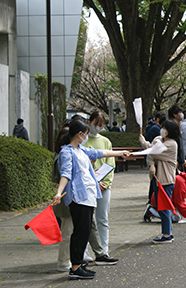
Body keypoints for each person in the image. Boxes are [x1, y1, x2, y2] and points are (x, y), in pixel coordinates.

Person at [52, 119, 129, 280]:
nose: (87, 136)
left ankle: (78, 265)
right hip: (78, 197)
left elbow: (101, 153)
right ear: (80, 134)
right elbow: (65, 173)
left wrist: (120, 153)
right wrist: (59, 192)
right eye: (86, 134)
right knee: (80, 232)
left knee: (85, 231)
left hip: (88, 196)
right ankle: (75, 267)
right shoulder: (67, 152)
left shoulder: (81, 149)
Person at [139, 119, 179, 243]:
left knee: (163, 207)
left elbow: (153, 151)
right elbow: (152, 153)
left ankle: (166, 234)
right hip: (159, 179)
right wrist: (151, 164)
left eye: (164, 128)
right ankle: (168, 231)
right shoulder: (163, 141)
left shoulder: (171, 144)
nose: (162, 130)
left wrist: (146, 142)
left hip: (166, 180)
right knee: (161, 206)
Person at [83, 111, 115, 256]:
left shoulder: (106, 142)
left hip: (103, 187)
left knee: (102, 218)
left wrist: (105, 183)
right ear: (89, 122)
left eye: (100, 125)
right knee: (86, 220)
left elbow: (110, 163)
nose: (98, 127)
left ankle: (104, 249)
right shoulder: (83, 141)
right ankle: (84, 252)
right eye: (96, 124)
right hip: (87, 186)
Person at [168, 105, 185, 172]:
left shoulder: (178, 126)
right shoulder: (172, 127)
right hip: (176, 161)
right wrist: (177, 159)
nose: (181, 115)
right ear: (175, 115)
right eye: (180, 113)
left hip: (179, 160)